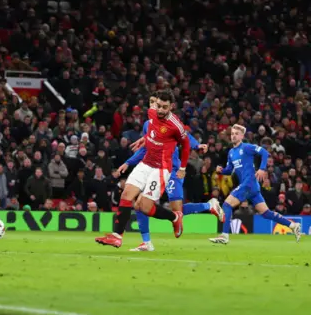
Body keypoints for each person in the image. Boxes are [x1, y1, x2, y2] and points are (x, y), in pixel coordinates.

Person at [119, 95, 224, 252]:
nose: (155, 106)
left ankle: (208, 206)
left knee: (177, 210)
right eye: (152, 103)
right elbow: (145, 148)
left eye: (158, 103)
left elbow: (185, 136)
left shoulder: (171, 123)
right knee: (139, 204)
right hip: (152, 167)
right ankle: (146, 242)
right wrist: (129, 162)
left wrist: (196, 146)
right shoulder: (148, 124)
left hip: (171, 169)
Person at [95, 90, 189, 248]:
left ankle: (174, 217)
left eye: (164, 107)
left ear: (171, 107)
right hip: (146, 163)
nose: (160, 110)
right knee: (126, 194)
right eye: (158, 105)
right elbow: (155, 132)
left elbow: (185, 145)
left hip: (161, 169)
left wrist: (183, 167)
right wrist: (144, 139)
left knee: (144, 207)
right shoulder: (152, 112)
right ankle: (117, 236)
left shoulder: (176, 125)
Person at [209, 125, 302, 244]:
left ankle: (224, 235)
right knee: (266, 213)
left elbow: (264, 152)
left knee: (227, 205)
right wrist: (221, 170)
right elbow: (229, 169)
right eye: (232, 133)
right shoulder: (231, 152)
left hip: (249, 183)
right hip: (250, 186)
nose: (233, 136)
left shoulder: (247, 147)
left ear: (242, 136)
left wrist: (262, 168)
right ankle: (293, 225)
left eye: (236, 134)